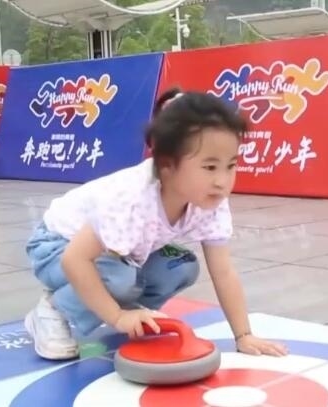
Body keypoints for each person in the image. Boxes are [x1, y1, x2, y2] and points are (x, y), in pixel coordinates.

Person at [23, 90, 289, 360]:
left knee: (180, 266)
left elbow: (223, 271)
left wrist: (243, 335)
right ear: (166, 165)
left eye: (231, 166)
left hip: (114, 255)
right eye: (210, 167)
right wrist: (116, 317)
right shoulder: (131, 197)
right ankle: (53, 310)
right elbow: (74, 259)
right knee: (119, 279)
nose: (222, 181)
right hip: (55, 246)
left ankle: (126, 308)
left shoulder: (211, 198)